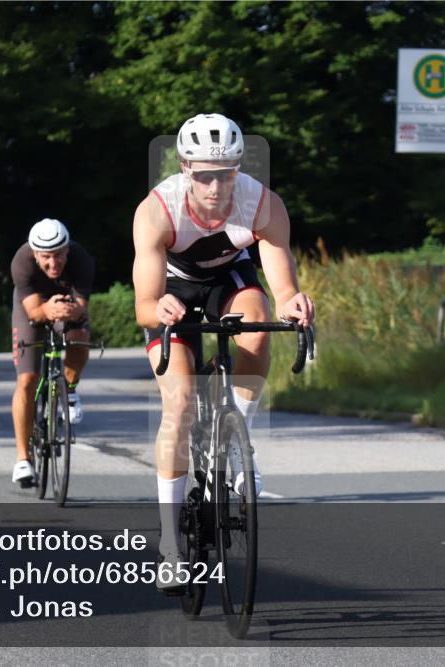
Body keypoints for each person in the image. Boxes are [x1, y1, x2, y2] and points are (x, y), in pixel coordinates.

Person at [132, 113, 315, 590]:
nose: (215, 187)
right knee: (178, 404)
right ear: (184, 168)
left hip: (227, 282)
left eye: (226, 173)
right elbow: (143, 305)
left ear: (239, 168)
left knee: (256, 327)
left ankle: (238, 444)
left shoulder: (262, 203)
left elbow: (280, 283)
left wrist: (292, 301)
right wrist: (160, 308)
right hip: (172, 291)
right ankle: (170, 544)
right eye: (204, 175)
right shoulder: (157, 209)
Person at [10, 219, 95, 486]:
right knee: (26, 381)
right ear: (35, 254)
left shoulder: (81, 259)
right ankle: (23, 459)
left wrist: (70, 310)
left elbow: (81, 306)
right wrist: (47, 309)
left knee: (80, 336)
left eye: (58, 255)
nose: (53, 263)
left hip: (66, 306)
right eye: (46, 257)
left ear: (67, 249)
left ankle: (69, 389)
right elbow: (34, 312)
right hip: (33, 309)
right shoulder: (21, 262)